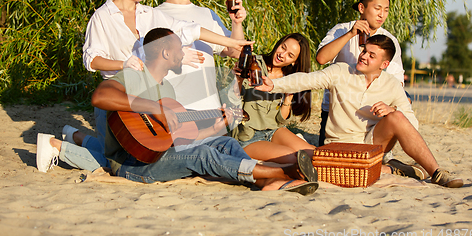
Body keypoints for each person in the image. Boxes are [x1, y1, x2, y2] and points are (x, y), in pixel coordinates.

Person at [38, 28, 319, 195]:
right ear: (165, 54)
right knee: (203, 155)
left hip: (159, 152)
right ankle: (279, 173)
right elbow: (100, 95)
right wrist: (151, 106)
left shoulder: (168, 92)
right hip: (133, 164)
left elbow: (181, 137)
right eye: (179, 49)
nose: (184, 53)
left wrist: (214, 126)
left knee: (223, 141)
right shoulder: (136, 77)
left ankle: (270, 173)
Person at [36, 0, 251, 173]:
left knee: (128, 150)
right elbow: (91, 60)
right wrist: (124, 64)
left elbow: (190, 29)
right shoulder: (102, 17)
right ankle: (55, 145)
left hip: (146, 94)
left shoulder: (150, 14)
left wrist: (233, 42)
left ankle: (74, 135)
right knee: (112, 161)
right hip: (117, 93)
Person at [256, 35, 463, 188]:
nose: (363, 56)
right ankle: (394, 168)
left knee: (397, 117)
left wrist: (392, 109)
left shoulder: (391, 84)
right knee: (343, 175)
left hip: (372, 144)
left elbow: (412, 125)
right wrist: (274, 85)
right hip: (339, 146)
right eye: (364, 51)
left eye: (371, 55)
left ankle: (436, 172)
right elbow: (305, 79)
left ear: (384, 64)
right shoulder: (340, 72)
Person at [316, 0, 406, 166]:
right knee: (331, 162)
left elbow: (398, 83)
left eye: (386, 10)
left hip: (371, 112)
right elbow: (321, 58)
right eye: (377, 8)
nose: (382, 15)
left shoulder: (388, 40)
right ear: (362, 8)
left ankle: (385, 155)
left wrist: (393, 108)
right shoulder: (342, 30)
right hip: (338, 113)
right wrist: (351, 34)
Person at [152, 0, 246, 112]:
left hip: (210, 107)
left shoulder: (207, 14)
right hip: (172, 107)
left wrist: (237, 23)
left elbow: (235, 52)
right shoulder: (154, 16)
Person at [232, 33, 316, 164]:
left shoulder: (288, 78)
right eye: (283, 47)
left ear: (295, 62)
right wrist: (238, 78)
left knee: (314, 154)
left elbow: (280, 121)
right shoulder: (254, 65)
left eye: (290, 55)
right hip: (249, 136)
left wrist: (289, 96)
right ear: (279, 44)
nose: (282, 54)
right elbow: (233, 100)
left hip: (274, 131)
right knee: (293, 158)